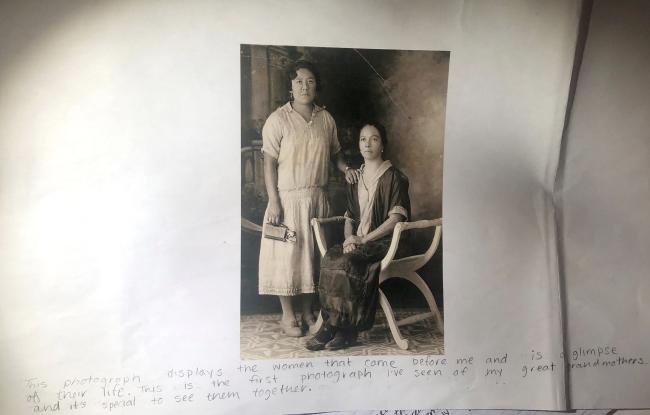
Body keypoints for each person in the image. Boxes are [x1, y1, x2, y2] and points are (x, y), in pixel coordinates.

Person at [258, 60, 359, 337]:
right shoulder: (278, 119)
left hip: (317, 197)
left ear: (317, 85)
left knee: (312, 257)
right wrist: (274, 200)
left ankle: (307, 311)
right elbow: (269, 164)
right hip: (287, 200)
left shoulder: (325, 119)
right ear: (290, 86)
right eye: (299, 81)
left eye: (310, 81)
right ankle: (288, 316)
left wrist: (346, 169)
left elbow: (336, 154)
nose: (305, 86)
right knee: (288, 257)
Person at [306, 122, 411, 351]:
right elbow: (350, 218)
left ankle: (344, 329)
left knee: (349, 261)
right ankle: (335, 325)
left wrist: (362, 240)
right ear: (359, 144)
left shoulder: (394, 177)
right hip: (359, 241)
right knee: (331, 258)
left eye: (374, 139)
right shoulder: (355, 178)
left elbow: (395, 220)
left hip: (384, 241)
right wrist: (348, 239)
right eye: (363, 139)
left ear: (382, 144)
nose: (368, 143)